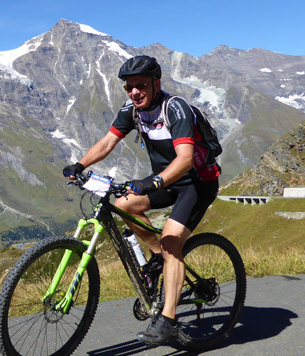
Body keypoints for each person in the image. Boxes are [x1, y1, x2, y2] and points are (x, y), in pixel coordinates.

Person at [62, 55, 220, 346]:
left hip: (196, 184)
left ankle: (169, 321)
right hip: (165, 181)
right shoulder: (132, 111)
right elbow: (108, 142)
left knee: (172, 243)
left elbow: (185, 160)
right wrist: (80, 165)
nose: (134, 92)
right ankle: (159, 257)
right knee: (123, 204)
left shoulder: (175, 109)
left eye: (141, 85)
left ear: (156, 83)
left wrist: (152, 182)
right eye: (129, 87)